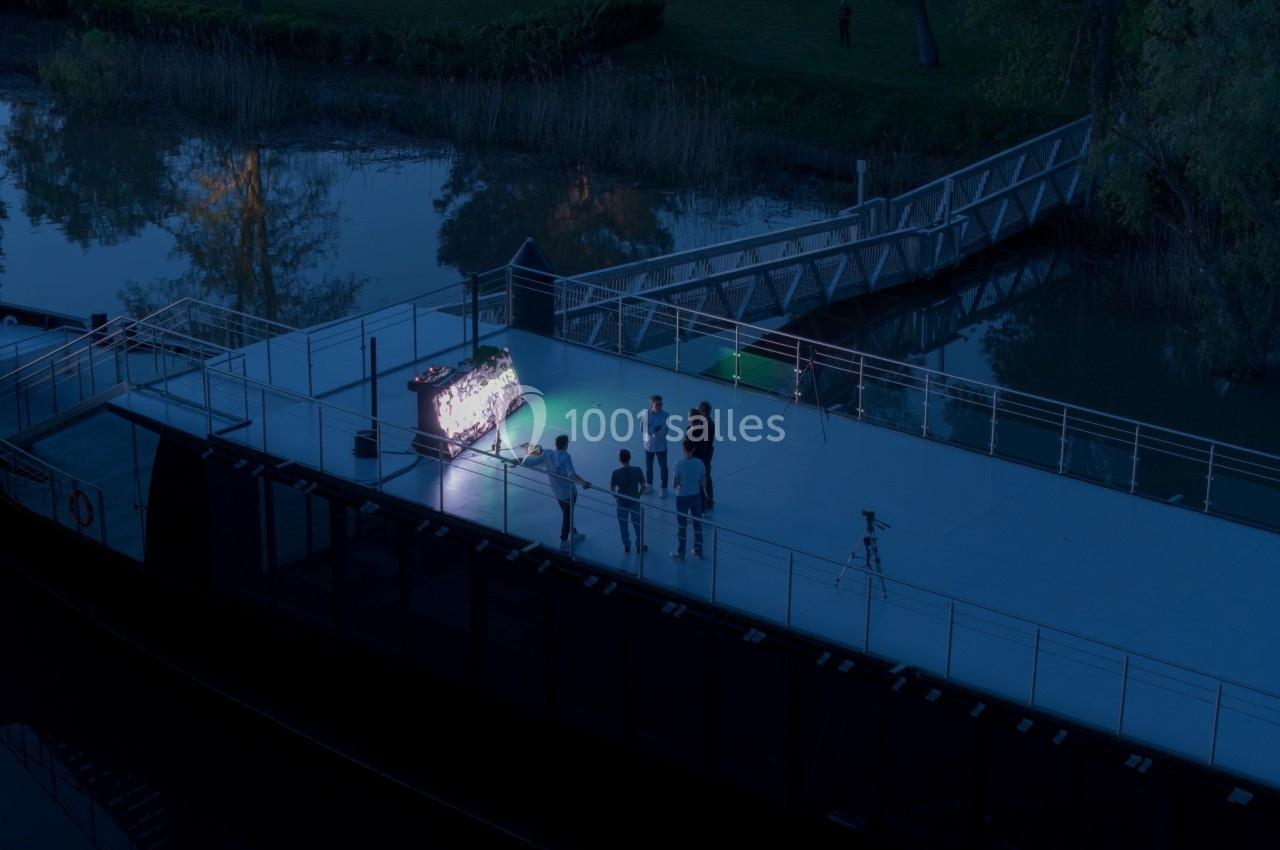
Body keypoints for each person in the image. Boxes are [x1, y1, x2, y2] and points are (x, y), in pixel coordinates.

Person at [522, 434, 592, 551]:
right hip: (569, 492)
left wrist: (525, 457)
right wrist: (583, 482)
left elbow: (529, 462)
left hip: (557, 492)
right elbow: (571, 474)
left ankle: (573, 533)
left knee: (567, 514)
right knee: (567, 515)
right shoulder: (565, 456)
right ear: (565, 445)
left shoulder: (548, 454)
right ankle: (564, 540)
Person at [671, 439, 706, 560]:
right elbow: (703, 483)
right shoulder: (700, 463)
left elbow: (674, 485)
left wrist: (682, 482)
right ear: (693, 449)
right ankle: (698, 550)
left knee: (682, 526)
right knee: (697, 524)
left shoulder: (678, 464)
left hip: (682, 497)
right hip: (695, 496)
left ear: (683, 449)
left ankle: (681, 552)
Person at [610, 448, 647, 554]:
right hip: (634, 501)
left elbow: (612, 489)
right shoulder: (637, 470)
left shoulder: (615, 473)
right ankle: (639, 545)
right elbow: (643, 485)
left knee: (623, 526)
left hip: (621, 503)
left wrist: (616, 497)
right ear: (630, 458)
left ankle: (626, 545)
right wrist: (638, 495)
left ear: (619, 459)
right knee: (638, 525)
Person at [643, 394, 669, 497]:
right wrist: (655, 429)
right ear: (651, 405)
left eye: (661, 404)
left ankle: (664, 488)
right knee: (649, 467)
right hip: (648, 446)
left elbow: (664, 432)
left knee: (663, 468)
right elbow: (643, 428)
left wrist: (651, 430)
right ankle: (649, 485)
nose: (659, 407)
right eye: (657, 405)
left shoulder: (666, 415)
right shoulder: (646, 414)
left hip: (661, 447)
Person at [695, 400, 716, 511]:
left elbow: (701, 442)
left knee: (703, 478)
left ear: (703, 412)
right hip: (706, 455)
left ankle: (704, 502)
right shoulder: (708, 422)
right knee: (706, 477)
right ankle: (709, 500)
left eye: (699, 409)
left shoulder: (705, 424)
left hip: (703, 456)